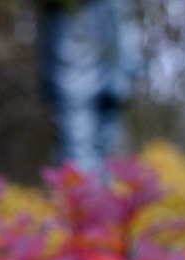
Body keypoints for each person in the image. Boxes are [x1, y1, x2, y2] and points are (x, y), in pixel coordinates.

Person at [39, 0, 141, 175]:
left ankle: (101, 199)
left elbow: (124, 22)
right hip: (75, 71)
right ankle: (84, 199)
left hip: (112, 75)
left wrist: (128, 66)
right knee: (78, 146)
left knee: (107, 148)